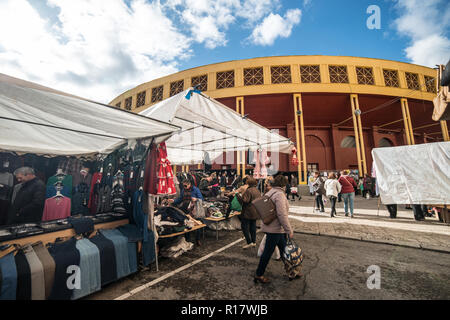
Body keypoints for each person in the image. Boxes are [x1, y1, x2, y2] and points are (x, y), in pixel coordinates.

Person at [254, 175, 294, 284]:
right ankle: (259, 274)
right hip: (275, 228)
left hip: (271, 226)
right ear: (284, 184)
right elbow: (282, 214)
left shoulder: (270, 192)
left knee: (284, 250)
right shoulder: (280, 195)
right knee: (268, 252)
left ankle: (291, 271)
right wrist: (289, 230)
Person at [168, 180, 203, 245]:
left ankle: (198, 239)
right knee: (187, 224)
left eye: (185, 185)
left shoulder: (195, 189)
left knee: (197, 224)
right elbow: (180, 199)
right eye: (183, 185)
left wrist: (196, 199)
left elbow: (201, 198)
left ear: (189, 184)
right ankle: (188, 239)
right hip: (185, 209)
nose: (184, 187)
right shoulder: (183, 190)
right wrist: (173, 200)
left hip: (194, 210)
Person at [236, 176, 261, 249]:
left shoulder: (248, 191)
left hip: (248, 212)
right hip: (255, 211)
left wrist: (238, 195)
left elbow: (245, 201)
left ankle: (249, 242)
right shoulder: (257, 190)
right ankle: (254, 242)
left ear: (248, 183)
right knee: (253, 226)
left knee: (244, 226)